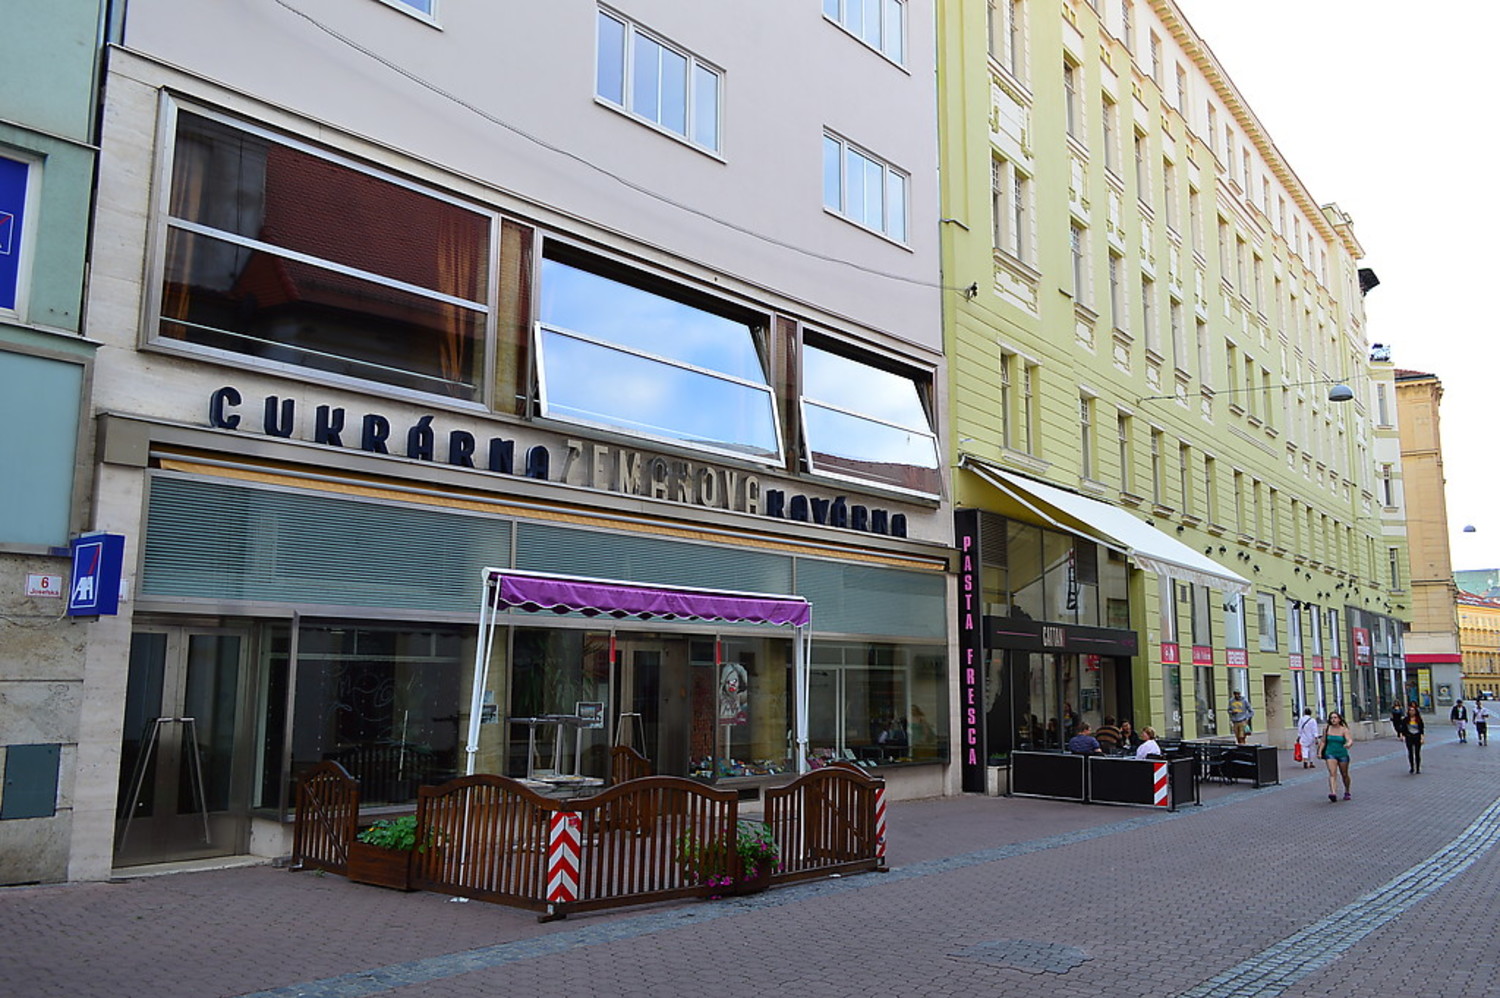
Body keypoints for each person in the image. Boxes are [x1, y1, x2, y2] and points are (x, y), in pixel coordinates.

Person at [1319, 710, 1353, 802]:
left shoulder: (1344, 729)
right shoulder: (1327, 729)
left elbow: (1349, 740)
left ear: (1339, 719)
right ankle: (1333, 793)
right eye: (1331, 718)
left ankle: (1347, 790)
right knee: (1332, 773)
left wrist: (1348, 744)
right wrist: (1320, 751)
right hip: (1330, 753)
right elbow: (1323, 741)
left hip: (1342, 754)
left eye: (1335, 718)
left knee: (1344, 774)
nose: (1333, 720)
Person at [1401, 702, 1426, 774]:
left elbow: (1421, 729)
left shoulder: (1418, 719)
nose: (1411, 712)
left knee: (1417, 753)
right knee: (1410, 752)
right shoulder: (1406, 719)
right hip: (1409, 737)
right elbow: (1403, 728)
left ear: (1415, 711)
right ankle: (1412, 767)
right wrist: (1402, 735)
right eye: (1410, 710)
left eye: (1413, 710)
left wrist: (1422, 738)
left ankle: (1418, 768)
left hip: (1417, 736)